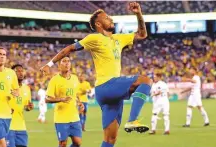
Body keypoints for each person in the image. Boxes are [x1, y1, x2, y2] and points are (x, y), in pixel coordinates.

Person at [40, 2, 152, 147]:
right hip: (106, 85)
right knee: (145, 80)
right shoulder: (94, 38)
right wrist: (49, 64)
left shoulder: (119, 39)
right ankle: (132, 120)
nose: (110, 19)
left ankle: (130, 122)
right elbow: (69, 49)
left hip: (110, 95)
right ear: (99, 24)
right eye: (106, 18)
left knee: (110, 140)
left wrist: (138, 14)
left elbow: (142, 34)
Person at [45, 56, 84, 147]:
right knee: (63, 144)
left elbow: (75, 95)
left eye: (68, 61)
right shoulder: (55, 80)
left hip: (74, 117)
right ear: (59, 65)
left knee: (78, 143)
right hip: (61, 118)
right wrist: (61, 99)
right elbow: (47, 99)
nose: (67, 63)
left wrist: (79, 103)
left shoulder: (74, 78)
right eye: (64, 61)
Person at [0, 47, 19, 147]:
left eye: (4, 54)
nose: (2, 56)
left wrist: (15, 93)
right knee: (2, 144)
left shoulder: (11, 73)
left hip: (7, 115)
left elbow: (17, 90)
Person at [6, 64, 34, 147]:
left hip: (21, 127)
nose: (20, 73)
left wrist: (28, 107)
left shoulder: (26, 88)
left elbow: (25, 106)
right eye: (17, 71)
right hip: (8, 126)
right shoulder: (7, 87)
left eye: (22, 71)